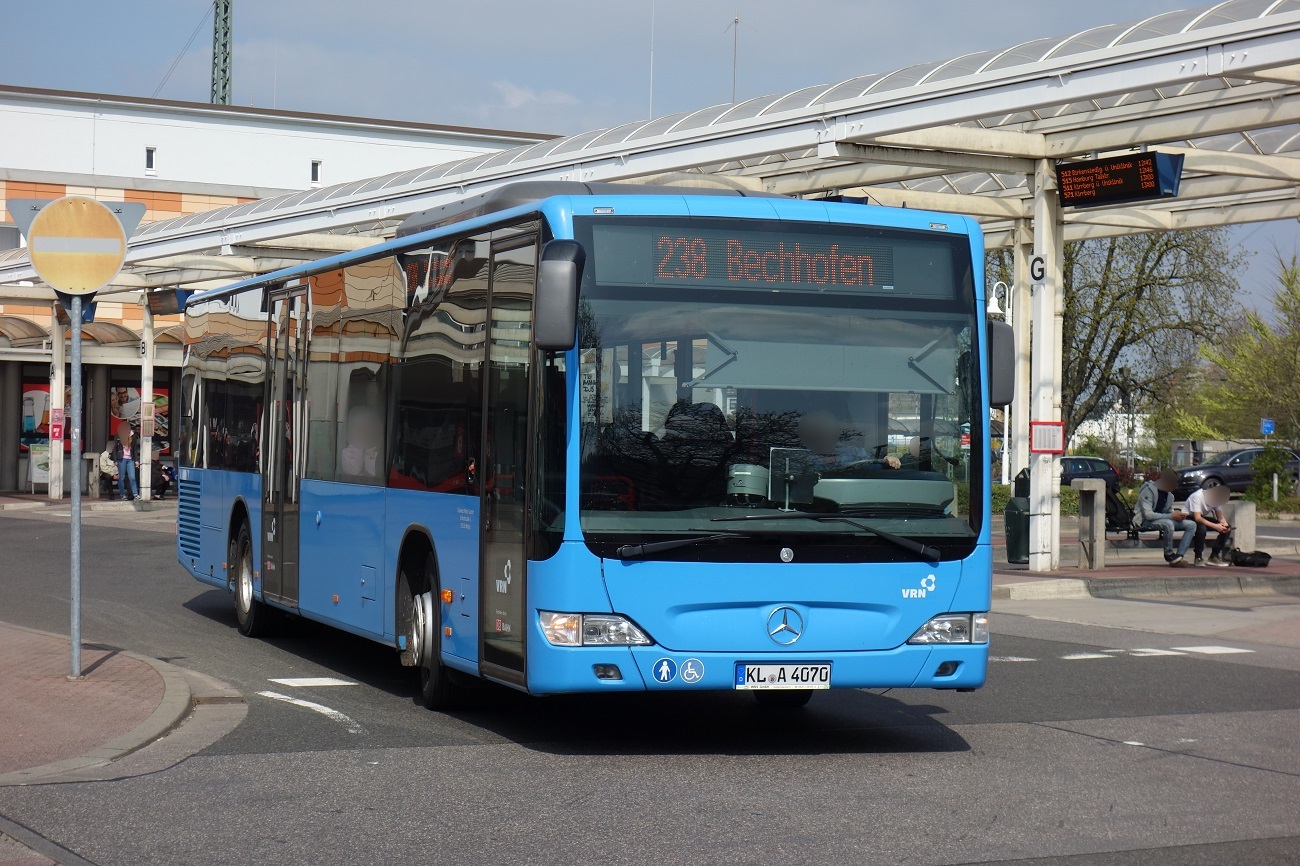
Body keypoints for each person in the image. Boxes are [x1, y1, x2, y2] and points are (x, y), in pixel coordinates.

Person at [1133, 468, 1195, 567]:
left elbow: (1169, 512)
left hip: (1162, 520)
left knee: (1191, 525)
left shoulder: (1170, 496)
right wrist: (1171, 516)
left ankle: (1179, 556)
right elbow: (1148, 515)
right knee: (1168, 524)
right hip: (1145, 522)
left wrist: (1177, 515)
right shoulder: (1148, 491)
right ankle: (1169, 554)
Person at [797, 410, 869, 470]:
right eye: (816, 432)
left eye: (827, 429)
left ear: (838, 431)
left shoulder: (856, 453)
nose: (823, 435)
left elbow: (874, 472)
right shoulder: (801, 459)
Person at [1185, 480, 1233, 567]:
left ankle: (1214, 556)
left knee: (1226, 528)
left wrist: (1225, 526)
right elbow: (1197, 518)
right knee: (1202, 529)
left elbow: (1220, 517)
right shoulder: (1197, 496)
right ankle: (1198, 557)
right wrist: (1215, 526)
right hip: (1189, 517)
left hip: (1201, 517)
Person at [111, 423, 141, 500]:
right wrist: (115, 460)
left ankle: (135, 494)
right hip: (121, 459)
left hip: (130, 459)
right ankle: (122, 494)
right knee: (122, 478)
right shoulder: (118, 436)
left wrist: (136, 460)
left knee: (132, 477)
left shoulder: (133, 436)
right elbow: (115, 448)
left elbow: (134, 449)